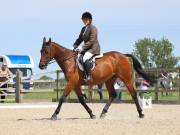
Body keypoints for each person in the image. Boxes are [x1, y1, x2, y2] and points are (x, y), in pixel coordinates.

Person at [73, 12, 101, 82]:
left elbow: (92, 40)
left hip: (93, 48)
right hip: (86, 48)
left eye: (86, 19)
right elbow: (80, 39)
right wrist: (74, 45)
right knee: (78, 57)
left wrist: (82, 48)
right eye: (83, 20)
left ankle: (88, 76)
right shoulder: (83, 29)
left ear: (90, 20)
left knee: (85, 58)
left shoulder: (93, 28)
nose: (84, 21)